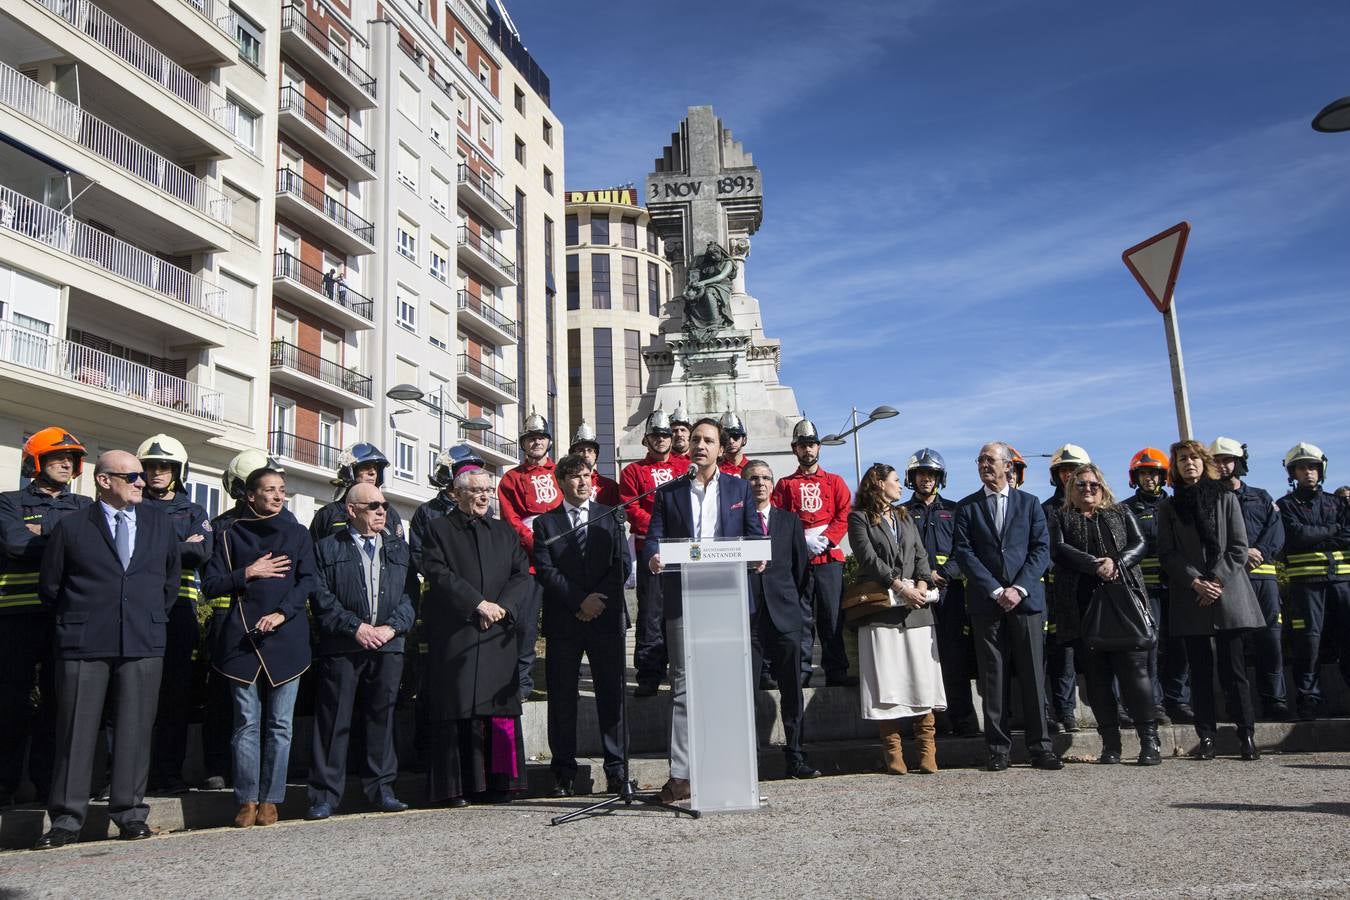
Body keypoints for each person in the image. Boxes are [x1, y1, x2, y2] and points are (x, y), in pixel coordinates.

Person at [34, 451, 180, 849]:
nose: (140, 482)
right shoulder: (71, 527)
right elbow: (52, 587)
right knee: (76, 730)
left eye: (140, 476)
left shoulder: (159, 523)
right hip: (84, 640)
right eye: (131, 476)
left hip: (142, 638)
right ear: (103, 481)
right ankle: (66, 819)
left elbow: (169, 581)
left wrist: (146, 617)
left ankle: (130, 814)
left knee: (135, 729)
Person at [645, 417, 760, 802]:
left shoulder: (739, 487)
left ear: (720, 447)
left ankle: (726, 766)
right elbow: (653, 538)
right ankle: (681, 774)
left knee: (727, 685)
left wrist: (758, 556)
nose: (700, 445)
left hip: (726, 598)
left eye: (708, 440)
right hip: (683, 597)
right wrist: (654, 558)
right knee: (682, 686)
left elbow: (754, 536)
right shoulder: (669, 492)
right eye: (694, 439)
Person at [203, 467, 315, 828]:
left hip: (287, 637)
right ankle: (247, 799)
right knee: (246, 724)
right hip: (242, 638)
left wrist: (282, 613)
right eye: (270, 490)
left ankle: (272, 800)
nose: (279, 496)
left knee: (281, 725)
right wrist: (248, 572)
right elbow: (211, 584)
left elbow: (307, 580)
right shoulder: (228, 533)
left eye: (282, 490)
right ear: (250, 495)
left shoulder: (298, 533)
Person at [419, 468, 532, 807]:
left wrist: (503, 608)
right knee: (458, 709)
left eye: (488, 490)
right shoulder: (438, 529)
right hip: (460, 631)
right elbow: (437, 573)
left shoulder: (504, 531)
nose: (484, 496)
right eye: (476, 491)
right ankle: (458, 787)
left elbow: (520, 573)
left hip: (498, 631)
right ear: (457, 494)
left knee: (500, 710)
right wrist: (477, 604)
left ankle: (502, 784)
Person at [306, 482, 416, 820]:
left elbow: (412, 597)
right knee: (333, 721)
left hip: (388, 646)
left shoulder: (399, 549)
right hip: (343, 646)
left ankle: (382, 788)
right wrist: (356, 628)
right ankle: (324, 796)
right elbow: (320, 597)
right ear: (351, 510)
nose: (382, 511)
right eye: (373, 506)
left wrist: (390, 628)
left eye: (383, 505)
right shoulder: (326, 548)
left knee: (381, 718)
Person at [952, 442, 1061, 772]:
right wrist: (997, 589)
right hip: (988, 604)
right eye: (980, 460)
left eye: (990, 460)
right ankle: (998, 749)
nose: (984, 465)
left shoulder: (1030, 505)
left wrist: (1019, 588)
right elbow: (965, 553)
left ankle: (1040, 747)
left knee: (1032, 675)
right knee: (993, 678)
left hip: (1026, 603)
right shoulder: (967, 507)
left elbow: (1041, 551)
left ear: (1007, 467)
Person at [0, 428, 92, 808]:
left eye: (71, 458)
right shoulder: (8, 502)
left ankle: (47, 786)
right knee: (9, 703)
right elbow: (15, 544)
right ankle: (4, 787)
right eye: (57, 457)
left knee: (61, 706)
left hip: (65, 616)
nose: (66, 463)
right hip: (15, 616)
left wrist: (45, 530)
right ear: (34, 462)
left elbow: (91, 549)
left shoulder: (86, 505)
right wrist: (64, 537)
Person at [1157, 440, 1264, 761]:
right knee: (1200, 674)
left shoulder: (1227, 498)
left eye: (1193, 458)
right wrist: (1196, 582)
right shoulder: (1169, 507)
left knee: (1234, 671)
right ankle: (1206, 737)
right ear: (1174, 468)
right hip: (1192, 598)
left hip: (1229, 594)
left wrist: (1215, 581)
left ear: (1204, 462)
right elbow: (1167, 553)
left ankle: (1246, 735)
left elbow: (1238, 547)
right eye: (1181, 460)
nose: (1188, 464)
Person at [1048, 463, 1160, 766]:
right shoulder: (1061, 516)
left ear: (1103, 488)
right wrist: (1093, 564)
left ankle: (1149, 741)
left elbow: (1140, 544)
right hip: (1083, 606)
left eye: (1093, 485)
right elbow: (1058, 549)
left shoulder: (1120, 512)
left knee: (1135, 675)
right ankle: (1111, 744)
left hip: (1124, 602)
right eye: (1080, 485)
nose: (1087, 490)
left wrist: (1117, 562)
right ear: (1071, 489)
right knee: (1097, 680)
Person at [533, 454, 631, 796]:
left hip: (605, 619)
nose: (582, 481)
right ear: (560, 482)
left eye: (587, 475)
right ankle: (563, 772)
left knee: (611, 695)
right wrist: (579, 602)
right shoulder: (546, 524)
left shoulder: (611, 516)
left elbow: (623, 564)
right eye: (574, 477)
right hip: (565, 621)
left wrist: (596, 602)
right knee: (562, 699)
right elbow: (547, 571)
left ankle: (617, 769)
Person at [848, 463, 944, 775]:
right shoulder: (859, 517)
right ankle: (893, 751)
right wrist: (898, 585)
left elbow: (920, 555)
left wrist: (920, 585)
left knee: (921, 677)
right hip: (881, 609)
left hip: (915, 610)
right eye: (894, 481)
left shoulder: (904, 515)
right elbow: (868, 558)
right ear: (878, 484)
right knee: (886, 680)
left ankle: (927, 749)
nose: (900, 487)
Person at [199, 450, 285, 792]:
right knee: (223, 699)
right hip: (226, 623)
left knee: (270, 707)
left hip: (274, 627)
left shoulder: (287, 525)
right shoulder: (221, 527)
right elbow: (210, 582)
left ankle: (263, 774)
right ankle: (217, 767)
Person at [136, 435, 213, 795]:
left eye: (164, 466)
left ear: (177, 471)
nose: (156, 472)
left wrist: (149, 546)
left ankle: (168, 773)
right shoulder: (131, 505)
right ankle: (125, 775)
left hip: (179, 611)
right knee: (131, 695)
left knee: (176, 696)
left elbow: (201, 554)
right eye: (151, 465)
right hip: (136, 607)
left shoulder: (193, 510)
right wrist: (179, 546)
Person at [743, 459, 819, 779]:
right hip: (748, 619)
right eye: (753, 478)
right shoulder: (733, 522)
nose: (760, 483)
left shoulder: (789, 521)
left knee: (791, 690)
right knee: (744, 690)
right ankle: (746, 760)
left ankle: (796, 757)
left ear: (772, 484)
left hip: (785, 616)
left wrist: (790, 602)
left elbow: (802, 571)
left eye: (765, 478)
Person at [902, 448, 978, 737]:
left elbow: (965, 549)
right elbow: (901, 554)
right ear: (913, 478)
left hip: (950, 595)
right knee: (920, 660)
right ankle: (930, 723)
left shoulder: (956, 510)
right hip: (916, 597)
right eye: (921, 474)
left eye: (931, 474)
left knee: (954, 657)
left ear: (939, 478)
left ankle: (963, 720)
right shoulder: (903, 513)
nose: (926, 479)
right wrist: (921, 577)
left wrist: (945, 574)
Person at [773, 418, 854, 687]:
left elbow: (844, 515)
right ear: (794, 449)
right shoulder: (784, 485)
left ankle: (837, 670)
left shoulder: (835, 481)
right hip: (800, 559)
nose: (808, 450)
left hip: (829, 559)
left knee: (831, 616)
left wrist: (828, 540)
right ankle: (802, 670)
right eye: (802, 446)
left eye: (811, 445)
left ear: (819, 448)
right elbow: (778, 517)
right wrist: (800, 542)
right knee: (802, 618)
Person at [1211, 437, 1288, 721]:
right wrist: (1242, 555)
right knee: (1234, 647)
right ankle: (1238, 709)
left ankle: (1275, 701)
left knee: (1270, 641)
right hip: (1230, 581)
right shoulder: (1210, 499)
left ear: (1238, 462)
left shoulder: (1262, 496)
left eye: (1226, 459)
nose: (1222, 465)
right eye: (1216, 460)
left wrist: (1261, 551)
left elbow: (1276, 531)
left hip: (1263, 579)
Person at [1277, 442, 1350, 721]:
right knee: (1308, 643)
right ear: (1292, 473)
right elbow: (1296, 537)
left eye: (1313, 467)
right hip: (1305, 585)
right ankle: (1309, 700)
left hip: (1342, 583)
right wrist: (1333, 531)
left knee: (1348, 639)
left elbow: (1348, 535)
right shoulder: (1285, 505)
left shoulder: (1337, 502)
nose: (1308, 472)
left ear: (1321, 470)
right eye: (1301, 468)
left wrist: (1317, 533)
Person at [619, 409, 688, 696]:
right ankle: (649, 673)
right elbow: (631, 507)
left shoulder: (687, 467)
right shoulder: (633, 472)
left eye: (665, 435)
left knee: (684, 612)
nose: (660, 440)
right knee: (650, 615)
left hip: (684, 549)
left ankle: (682, 670)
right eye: (655, 435)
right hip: (651, 549)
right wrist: (662, 528)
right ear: (646, 439)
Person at [1121, 447, 1190, 725]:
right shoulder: (1126, 509)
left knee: (1180, 646)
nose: (1149, 479)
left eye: (1154, 473)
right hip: (1145, 591)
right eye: (1143, 473)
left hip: (1178, 588)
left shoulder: (1177, 506)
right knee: (1151, 647)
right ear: (1135, 478)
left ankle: (1179, 700)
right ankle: (1155, 703)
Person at [496, 409, 556, 700]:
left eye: (541, 438)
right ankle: (522, 683)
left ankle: (562, 680)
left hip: (561, 559)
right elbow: (511, 519)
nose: (536, 443)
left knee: (564, 625)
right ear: (523, 443)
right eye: (531, 438)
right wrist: (537, 543)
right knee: (525, 625)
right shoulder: (510, 479)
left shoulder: (562, 473)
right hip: (529, 561)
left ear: (549, 442)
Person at [1043, 443, 1091, 733]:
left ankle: (1114, 708)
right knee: (1060, 653)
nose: (1068, 475)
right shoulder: (1045, 510)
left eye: (1073, 470)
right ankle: (1064, 712)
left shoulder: (1097, 508)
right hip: (1057, 591)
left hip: (1089, 589)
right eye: (1063, 470)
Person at [309, 443, 405, 541]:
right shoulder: (328, 514)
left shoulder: (389, 514)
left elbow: (400, 552)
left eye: (375, 468)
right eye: (365, 467)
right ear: (349, 472)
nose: (373, 473)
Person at [568, 420, 621, 505]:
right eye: (581, 450)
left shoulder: (610, 486)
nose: (586, 454)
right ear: (573, 454)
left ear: (596, 455)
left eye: (590, 450)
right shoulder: (565, 483)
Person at [718, 411, 749, 476]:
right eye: (726, 437)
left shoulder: (753, 468)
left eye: (736, 436)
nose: (731, 441)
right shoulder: (714, 468)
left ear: (744, 439)